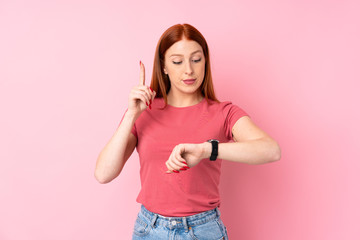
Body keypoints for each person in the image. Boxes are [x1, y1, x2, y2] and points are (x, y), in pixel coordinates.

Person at [95, 23, 281, 240]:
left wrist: (206, 150)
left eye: (196, 59)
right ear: (163, 66)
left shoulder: (223, 112)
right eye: (177, 61)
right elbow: (103, 174)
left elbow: (271, 150)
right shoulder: (143, 112)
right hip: (149, 229)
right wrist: (130, 115)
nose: (189, 70)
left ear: (205, 62)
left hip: (203, 230)